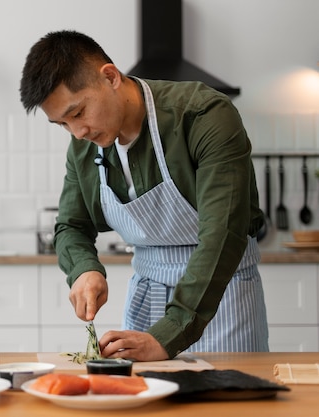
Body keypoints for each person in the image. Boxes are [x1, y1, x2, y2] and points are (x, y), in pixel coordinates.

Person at [19, 30, 268, 361]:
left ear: (110, 77)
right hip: (146, 296)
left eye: (78, 113)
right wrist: (83, 269)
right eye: (61, 124)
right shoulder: (83, 147)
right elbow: (71, 225)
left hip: (222, 298)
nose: (77, 132)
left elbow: (223, 235)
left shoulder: (204, 116)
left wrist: (169, 334)